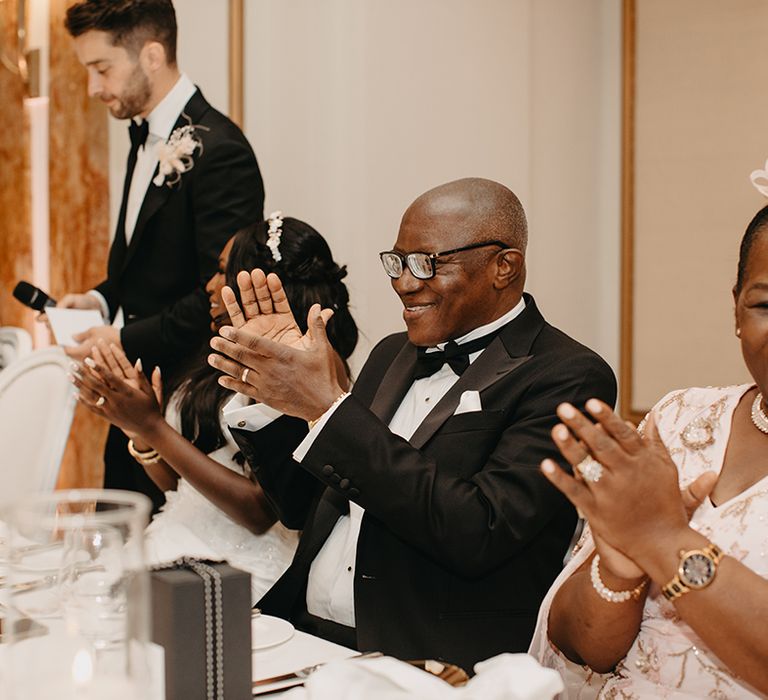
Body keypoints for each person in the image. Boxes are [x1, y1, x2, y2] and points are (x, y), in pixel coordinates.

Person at [207, 178, 617, 671]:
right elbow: (302, 510)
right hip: (302, 635)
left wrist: (329, 410)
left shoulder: (568, 375)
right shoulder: (390, 355)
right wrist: (274, 398)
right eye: (396, 262)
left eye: (427, 263)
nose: (404, 281)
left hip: (425, 658)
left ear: (502, 267)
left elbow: (480, 529)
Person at [529, 205, 768, 697]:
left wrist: (661, 541)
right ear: (736, 311)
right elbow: (580, 646)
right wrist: (620, 568)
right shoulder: (682, 417)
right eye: (766, 306)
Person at [71, 215, 358, 602]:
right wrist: (139, 431)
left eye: (223, 272)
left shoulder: (302, 369)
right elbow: (184, 487)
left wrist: (154, 427)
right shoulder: (220, 352)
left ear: (256, 280)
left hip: (240, 570)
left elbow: (261, 512)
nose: (209, 286)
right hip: (177, 538)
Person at [60, 0, 264, 512]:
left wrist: (123, 337)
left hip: (182, 409)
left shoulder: (221, 153)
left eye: (101, 68)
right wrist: (99, 301)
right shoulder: (143, 137)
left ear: (151, 55)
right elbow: (143, 265)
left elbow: (219, 298)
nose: (93, 88)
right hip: (135, 399)